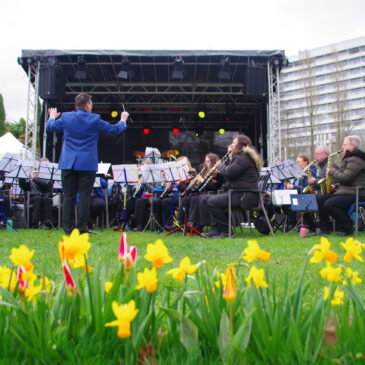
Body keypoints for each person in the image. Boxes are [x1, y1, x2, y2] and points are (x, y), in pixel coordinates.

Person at [46, 93, 128, 235]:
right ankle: (82, 228)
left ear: (76, 105)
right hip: (87, 164)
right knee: (84, 196)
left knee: (69, 196)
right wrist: (123, 120)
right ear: (88, 104)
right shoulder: (94, 119)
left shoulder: (66, 117)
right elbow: (114, 130)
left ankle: (68, 230)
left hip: (68, 163)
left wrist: (52, 116)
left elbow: (50, 126)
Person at [203, 135, 262, 239]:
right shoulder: (241, 157)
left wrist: (220, 165)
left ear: (240, 146)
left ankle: (226, 232)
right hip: (240, 193)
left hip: (245, 196)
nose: (231, 145)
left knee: (212, 201)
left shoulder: (242, 158)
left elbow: (230, 172)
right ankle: (215, 230)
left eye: (233, 143)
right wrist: (218, 175)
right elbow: (232, 177)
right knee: (208, 199)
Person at [317, 135, 365, 236]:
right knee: (320, 199)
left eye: (344, 144)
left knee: (330, 203)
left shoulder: (356, 159)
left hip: (356, 193)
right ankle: (324, 228)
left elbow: (346, 178)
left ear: (352, 145)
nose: (342, 147)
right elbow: (348, 179)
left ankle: (347, 228)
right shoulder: (350, 158)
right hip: (347, 191)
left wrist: (331, 171)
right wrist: (336, 186)